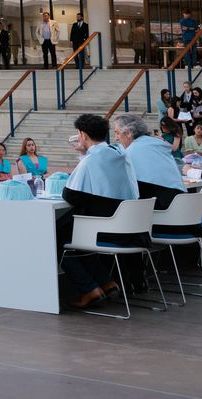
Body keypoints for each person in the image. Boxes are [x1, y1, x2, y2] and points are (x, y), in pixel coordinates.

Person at [59, 113, 142, 309]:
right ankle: (106, 282)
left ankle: (89, 289)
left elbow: (70, 195)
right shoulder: (119, 153)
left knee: (57, 235)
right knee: (74, 234)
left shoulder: (91, 159)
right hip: (130, 226)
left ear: (83, 135)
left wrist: (83, 156)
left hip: (106, 229)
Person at [112, 113, 183, 207]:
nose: (116, 138)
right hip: (179, 202)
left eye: (117, 133)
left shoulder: (132, 150)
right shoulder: (155, 143)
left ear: (128, 133)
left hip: (159, 208)